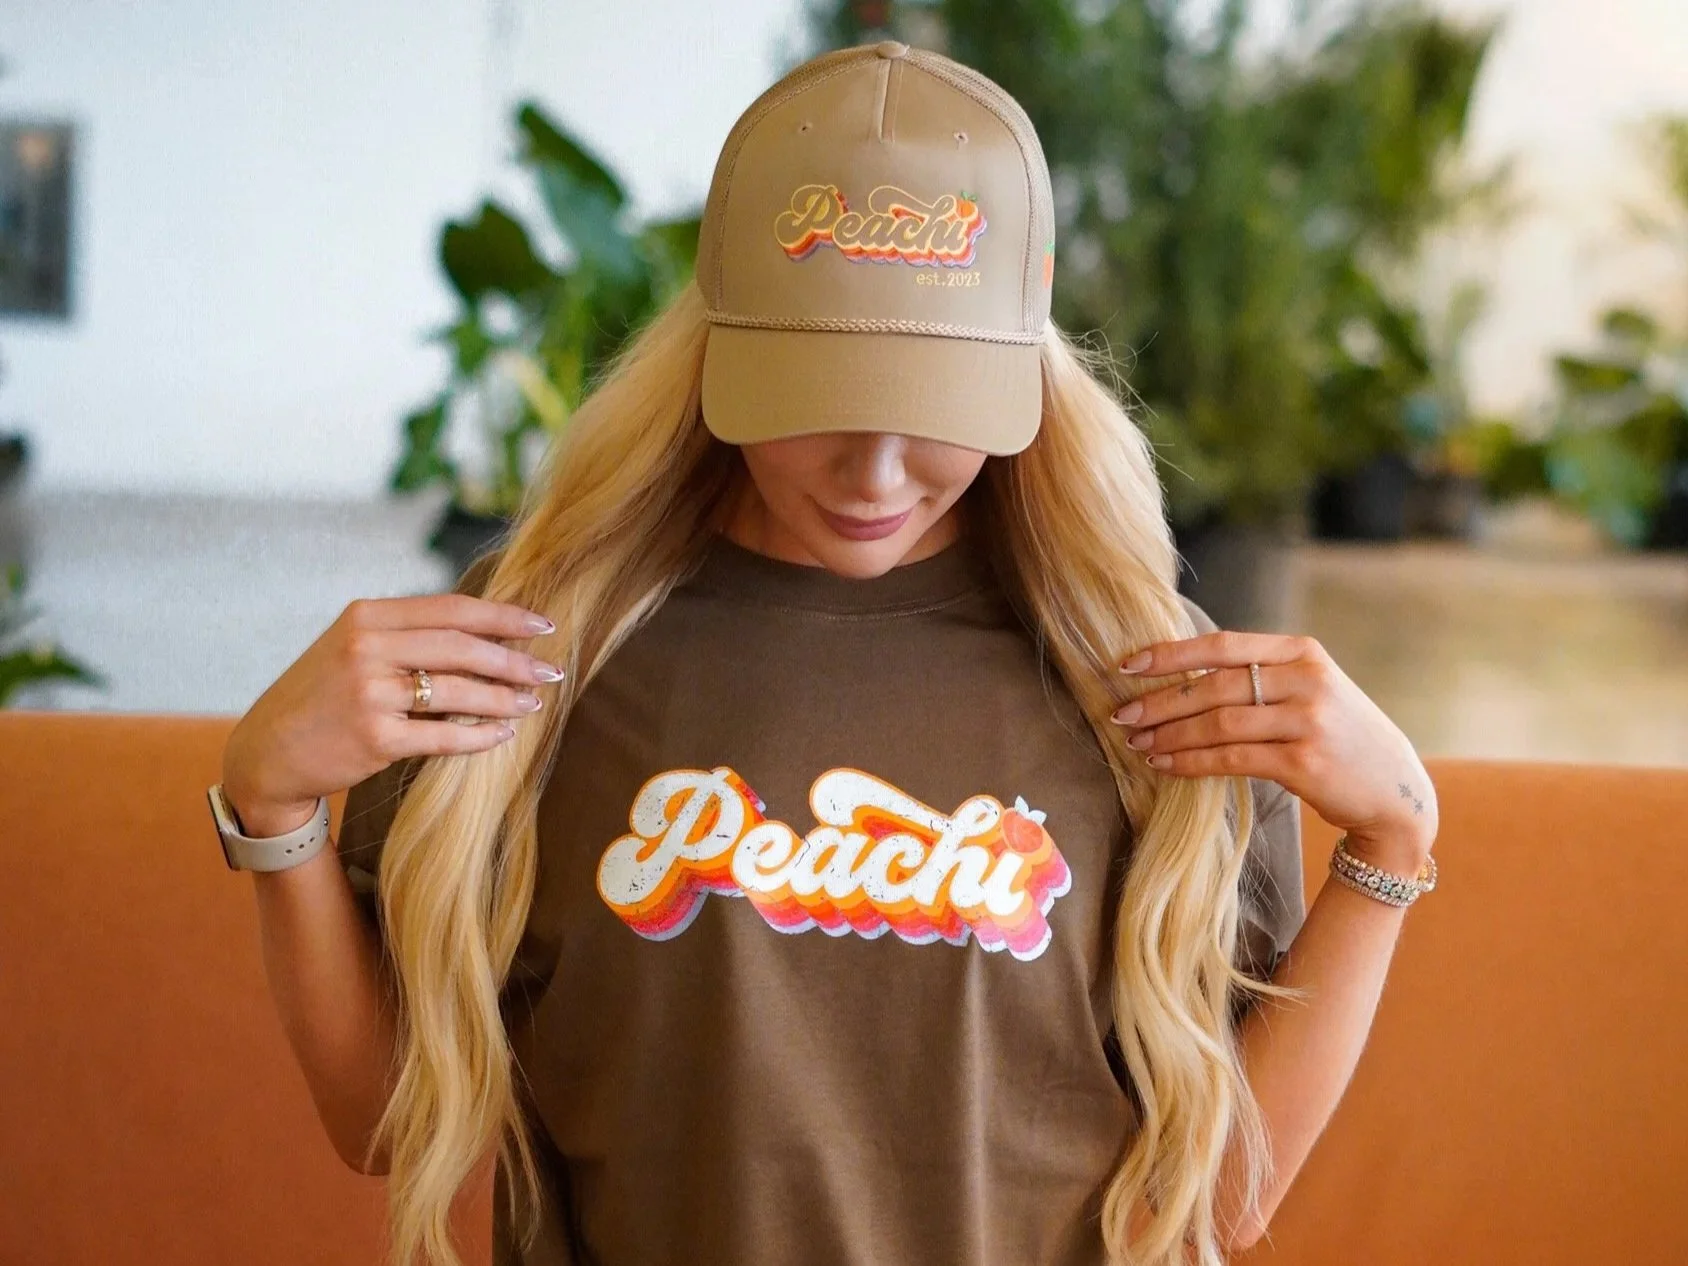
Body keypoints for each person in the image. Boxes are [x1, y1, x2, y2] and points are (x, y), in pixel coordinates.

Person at [216, 40, 1440, 1266]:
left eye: (935, 410)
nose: (873, 476)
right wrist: (274, 810)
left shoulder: (1153, 685)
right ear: (716, 348)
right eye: (812, 397)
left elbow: (1216, 1202)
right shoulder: (532, 650)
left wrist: (1388, 844)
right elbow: (386, 1123)